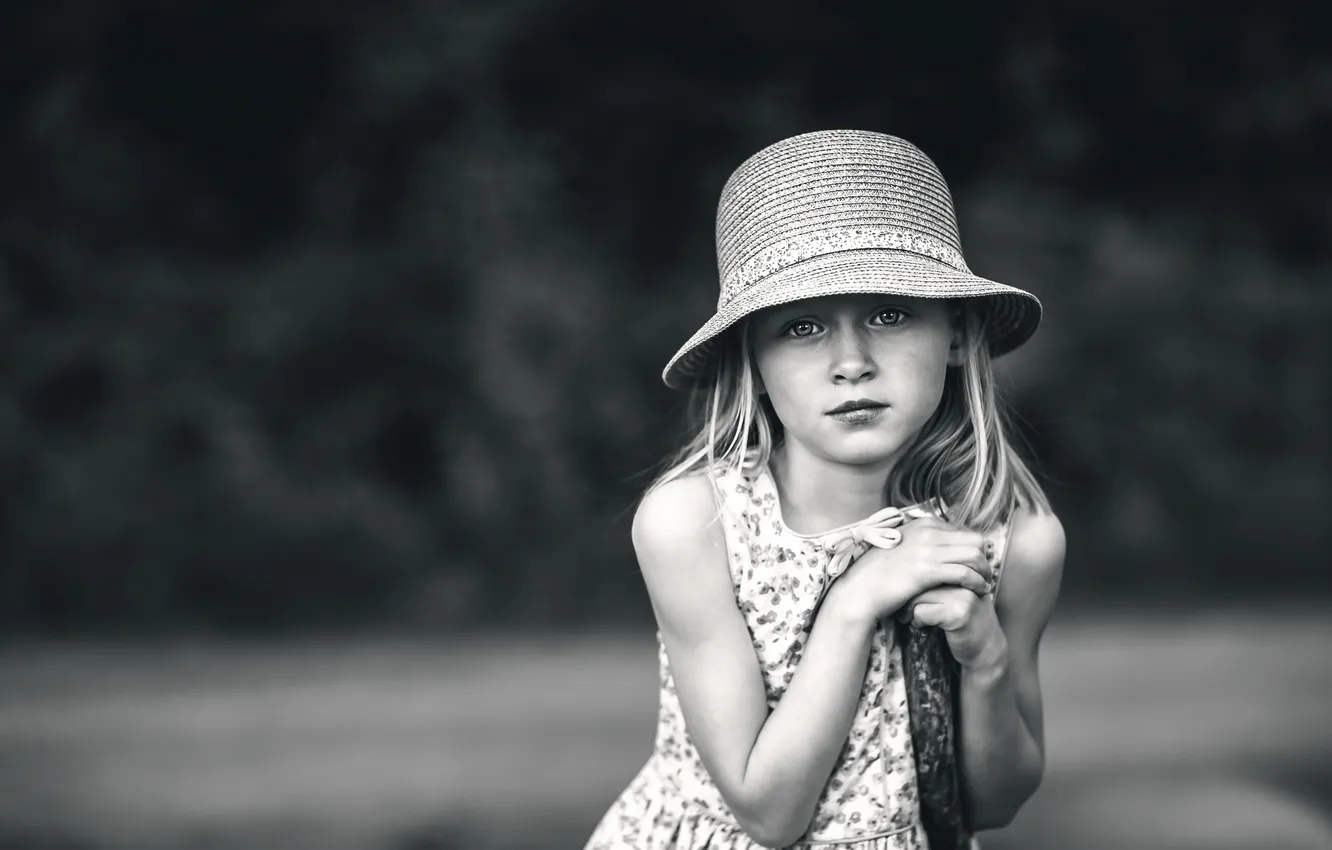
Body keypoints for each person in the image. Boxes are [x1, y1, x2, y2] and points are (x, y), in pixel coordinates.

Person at [584, 130, 1066, 850]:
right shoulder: (695, 524)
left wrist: (986, 656)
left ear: (959, 332)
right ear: (752, 358)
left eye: (890, 314)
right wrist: (853, 604)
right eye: (802, 327)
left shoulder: (1013, 540)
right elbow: (767, 814)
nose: (851, 363)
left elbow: (993, 804)